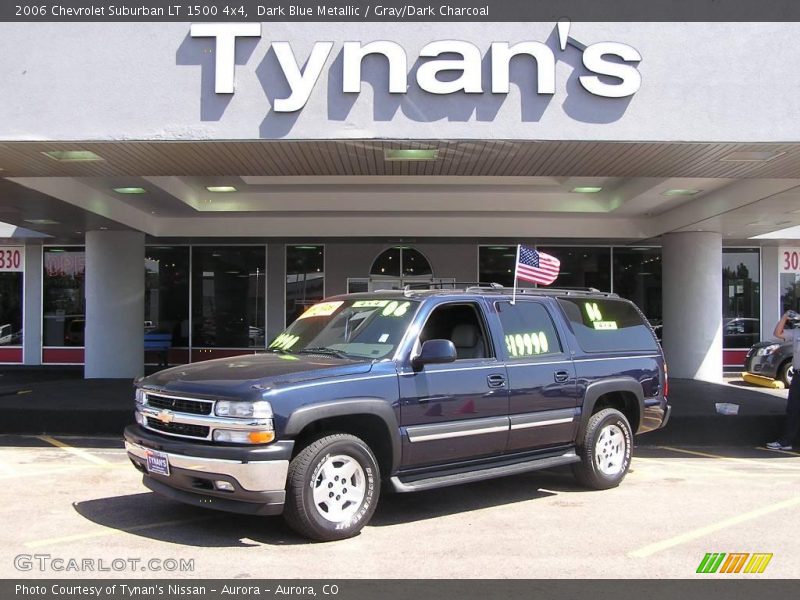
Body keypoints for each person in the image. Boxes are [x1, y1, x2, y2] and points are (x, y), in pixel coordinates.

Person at [767, 310, 800, 450]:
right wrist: (785, 317)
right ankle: (786, 441)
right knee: (793, 409)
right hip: (798, 375)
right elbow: (778, 333)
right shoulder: (797, 332)